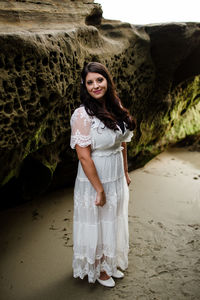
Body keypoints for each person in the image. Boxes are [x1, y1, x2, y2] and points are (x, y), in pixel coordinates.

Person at [70, 62, 135, 287]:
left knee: (112, 217)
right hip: (95, 176)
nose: (96, 85)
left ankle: (109, 262)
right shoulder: (81, 115)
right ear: (84, 86)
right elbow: (84, 156)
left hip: (115, 172)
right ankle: (98, 269)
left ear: (107, 80)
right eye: (90, 82)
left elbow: (123, 142)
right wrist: (98, 188)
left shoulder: (115, 105)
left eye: (100, 79)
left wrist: (125, 171)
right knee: (97, 220)